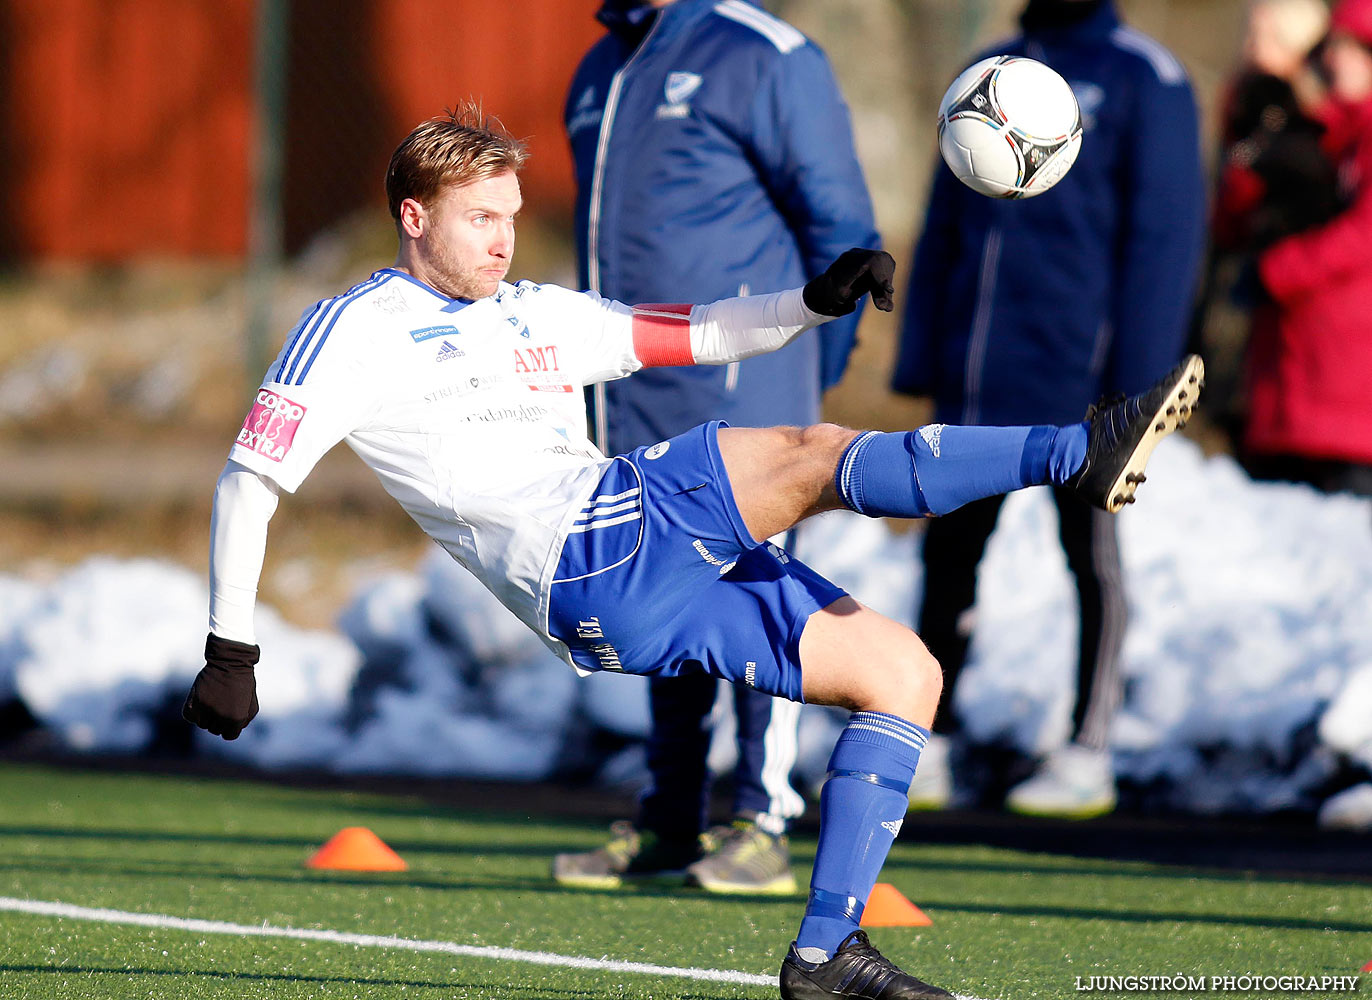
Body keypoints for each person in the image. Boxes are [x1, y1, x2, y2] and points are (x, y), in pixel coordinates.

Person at [181, 106, 1202, 1000]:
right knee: (810, 450)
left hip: (629, 587)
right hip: (584, 546)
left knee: (902, 673)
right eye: (478, 218)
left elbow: (699, 333)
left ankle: (826, 954)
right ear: (414, 217)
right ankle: (1078, 447)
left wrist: (813, 300)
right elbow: (249, 477)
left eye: (508, 214)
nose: (502, 239)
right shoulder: (351, 328)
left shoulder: (532, 311)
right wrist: (233, 649)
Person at [553, 0, 879, 895]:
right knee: (658, 598)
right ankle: (670, 814)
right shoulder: (597, 69)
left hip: (746, 395)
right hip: (634, 398)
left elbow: (842, 228)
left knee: (758, 599)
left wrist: (807, 380)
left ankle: (762, 819)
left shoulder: (766, 54)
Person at [892, 0, 1205, 819]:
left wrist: (1139, 391)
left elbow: (1166, 239)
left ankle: (1087, 748)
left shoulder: (1145, 78)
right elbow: (945, 220)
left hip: (1082, 386)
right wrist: (923, 349)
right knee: (949, 557)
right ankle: (932, 737)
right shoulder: (994, 67)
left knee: (1089, 556)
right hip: (975, 376)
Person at [1194, 0, 1338, 448]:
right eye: (1253, 33)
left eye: (1268, 36)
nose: (1253, 45)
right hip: (1237, 256)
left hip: (1280, 283)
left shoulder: (1310, 115)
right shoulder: (1247, 96)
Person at [1244, 0, 1372, 498]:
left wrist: (1276, 270)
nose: (1336, 59)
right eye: (1332, 46)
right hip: (1293, 377)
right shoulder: (1319, 127)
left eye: (1352, 47)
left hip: (1345, 392)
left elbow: (1363, 233)